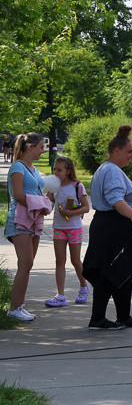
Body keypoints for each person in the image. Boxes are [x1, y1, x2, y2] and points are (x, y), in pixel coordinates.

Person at [83, 125, 132, 330]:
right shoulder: (112, 171)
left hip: (109, 226)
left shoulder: (107, 169)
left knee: (122, 271)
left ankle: (124, 316)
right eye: (129, 151)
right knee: (109, 272)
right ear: (116, 151)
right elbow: (115, 200)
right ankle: (98, 319)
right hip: (115, 227)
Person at [5, 133, 47, 322]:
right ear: (29, 146)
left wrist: (48, 200)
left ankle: (19, 306)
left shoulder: (34, 168)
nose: (43, 150)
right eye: (40, 146)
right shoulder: (17, 167)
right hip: (19, 219)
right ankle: (14, 308)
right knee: (26, 263)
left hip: (34, 219)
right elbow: (20, 195)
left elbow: (37, 191)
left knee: (27, 265)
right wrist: (43, 202)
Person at [46, 155, 91, 307]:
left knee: (75, 260)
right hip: (58, 228)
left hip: (74, 229)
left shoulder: (77, 186)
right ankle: (60, 296)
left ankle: (84, 286)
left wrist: (71, 213)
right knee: (60, 260)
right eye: (54, 169)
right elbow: (49, 205)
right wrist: (44, 204)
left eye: (59, 170)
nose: (56, 172)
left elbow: (86, 207)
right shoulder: (54, 187)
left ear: (68, 171)